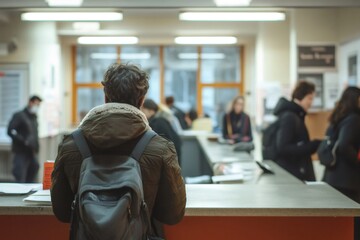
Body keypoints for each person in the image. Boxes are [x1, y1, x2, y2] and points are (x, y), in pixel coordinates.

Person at [51, 63, 186, 238]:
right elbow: (173, 215)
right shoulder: (160, 148)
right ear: (142, 101)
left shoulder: (72, 145)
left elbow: (62, 212)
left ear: (106, 98)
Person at [322, 87, 360, 240]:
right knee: (352, 225)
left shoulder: (338, 118)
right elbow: (344, 145)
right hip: (348, 181)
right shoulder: (354, 119)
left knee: (337, 225)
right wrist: (357, 161)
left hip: (333, 177)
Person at [273, 81, 321, 181]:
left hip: (294, 172)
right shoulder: (290, 117)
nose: (311, 103)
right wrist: (311, 146)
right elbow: (283, 147)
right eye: (309, 98)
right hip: (293, 174)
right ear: (300, 97)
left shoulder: (296, 115)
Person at [7, 95, 42, 183]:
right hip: (21, 151)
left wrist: (36, 147)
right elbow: (10, 131)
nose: (37, 107)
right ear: (30, 102)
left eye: (38, 105)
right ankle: (19, 193)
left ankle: (28, 193)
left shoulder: (34, 117)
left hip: (31, 151)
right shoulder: (19, 115)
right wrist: (23, 141)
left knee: (35, 168)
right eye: (35, 104)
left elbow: (34, 134)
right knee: (19, 174)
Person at [141, 99, 182, 163]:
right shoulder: (161, 120)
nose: (141, 112)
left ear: (151, 111)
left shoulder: (157, 123)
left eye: (143, 110)